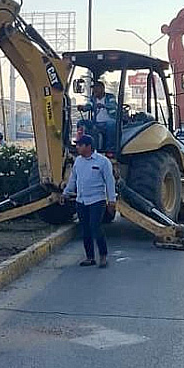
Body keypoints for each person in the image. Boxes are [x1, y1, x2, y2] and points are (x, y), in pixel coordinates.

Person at [61, 134, 116, 268]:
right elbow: (73, 179)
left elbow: (110, 181)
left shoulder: (102, 162)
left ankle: (103, 255)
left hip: (97, 200)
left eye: (80, 145)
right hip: (81, 200)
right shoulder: (78, 161)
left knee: (95, 227)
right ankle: (90, 257)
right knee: (85, 229)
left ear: (88, 146)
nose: (77, 147)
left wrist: (112, 201)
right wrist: (65, 193)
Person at [77, 81, 117, 150]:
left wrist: (103, 106)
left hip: (107, 122)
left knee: (112, 123)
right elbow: (89, 106)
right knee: (81, 122)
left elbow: (113, 105)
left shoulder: (110, 97)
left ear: (102, 88)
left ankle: (110, 148)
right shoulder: (93, 99)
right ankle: (82, 144)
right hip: (96, 123)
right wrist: (83, 108)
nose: (94, 90)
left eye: (96, 88)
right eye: (93, 88)